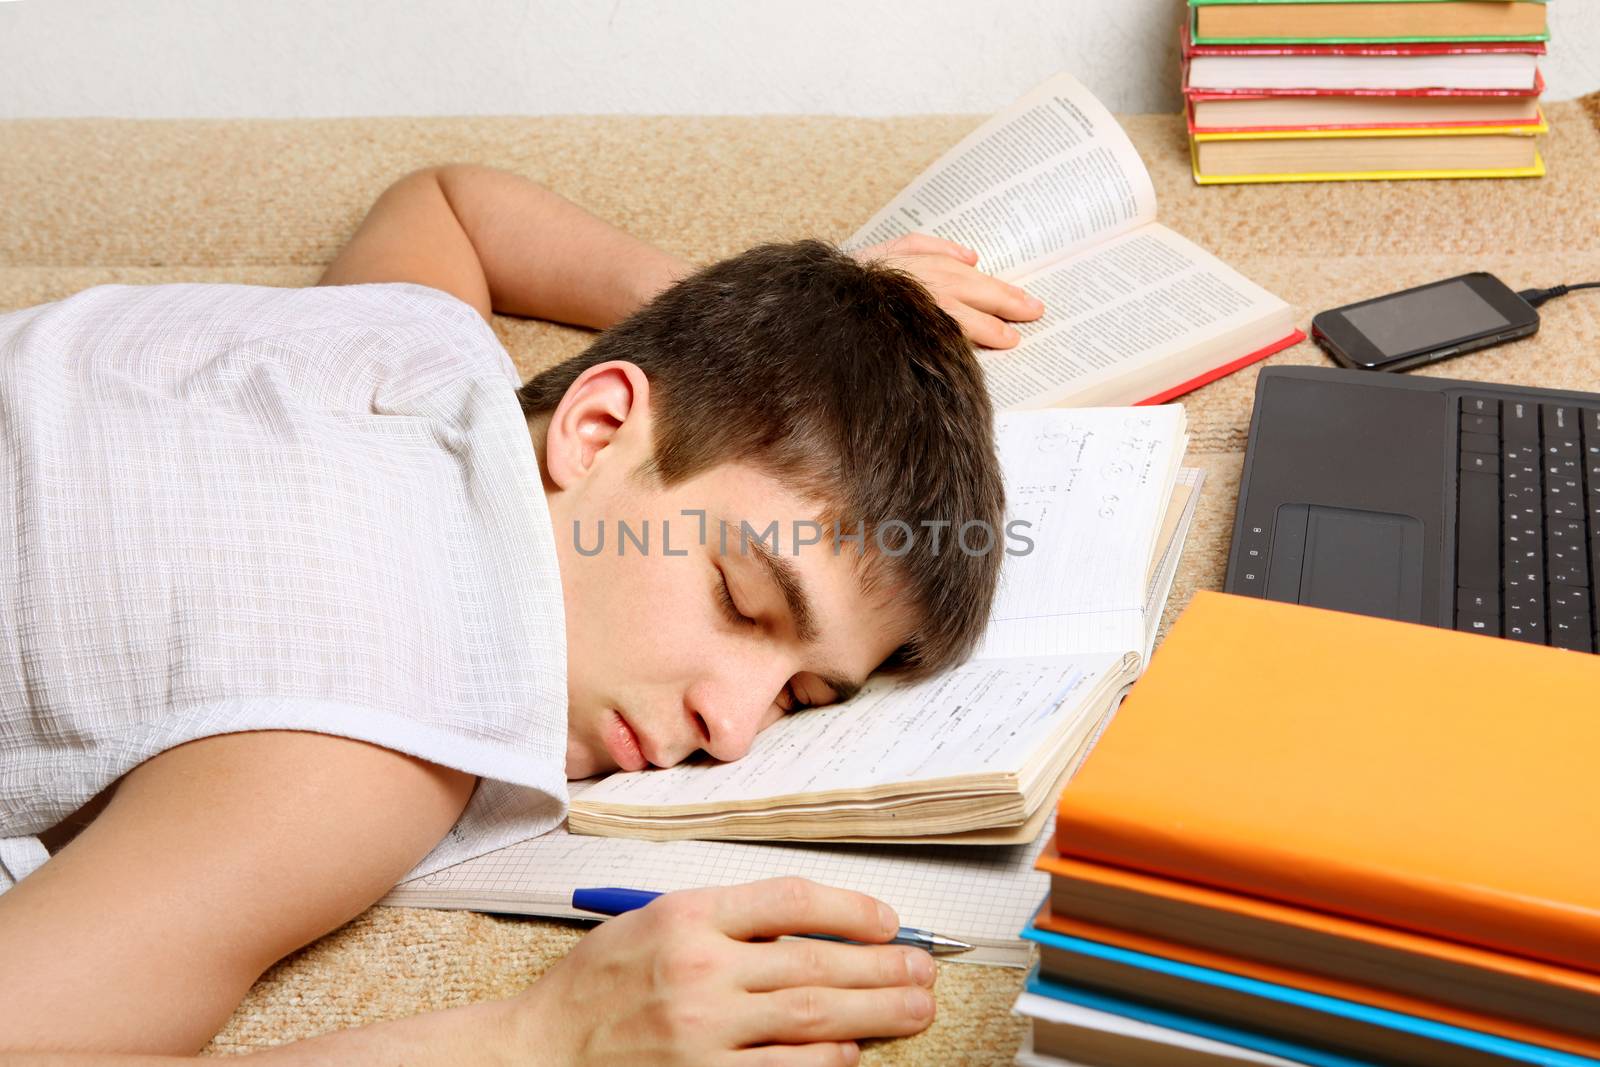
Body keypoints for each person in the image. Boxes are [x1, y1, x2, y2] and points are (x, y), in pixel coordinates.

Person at [0, 163, 1044, 1065]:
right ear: (594, 426)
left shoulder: (417, 347)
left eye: (799, 693)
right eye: (741, 597)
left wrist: (766, 338)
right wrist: (538, 1036)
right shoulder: (369, 746)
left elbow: (448, 202)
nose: (731, 726)